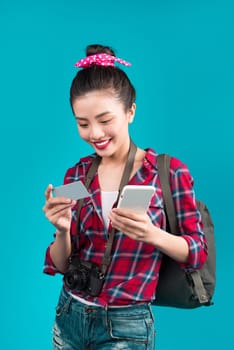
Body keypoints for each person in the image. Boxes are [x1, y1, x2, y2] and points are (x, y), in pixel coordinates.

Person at [43, 44, 207, 350]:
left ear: (130, 111)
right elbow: (61, 264)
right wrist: (62, 231)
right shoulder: (76, 176)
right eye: (83, 123)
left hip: (127, 324)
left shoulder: (168, 173)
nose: (95, 133)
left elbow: (197, 252)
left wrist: (153, 235)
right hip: (69, 315)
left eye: (105, 120)